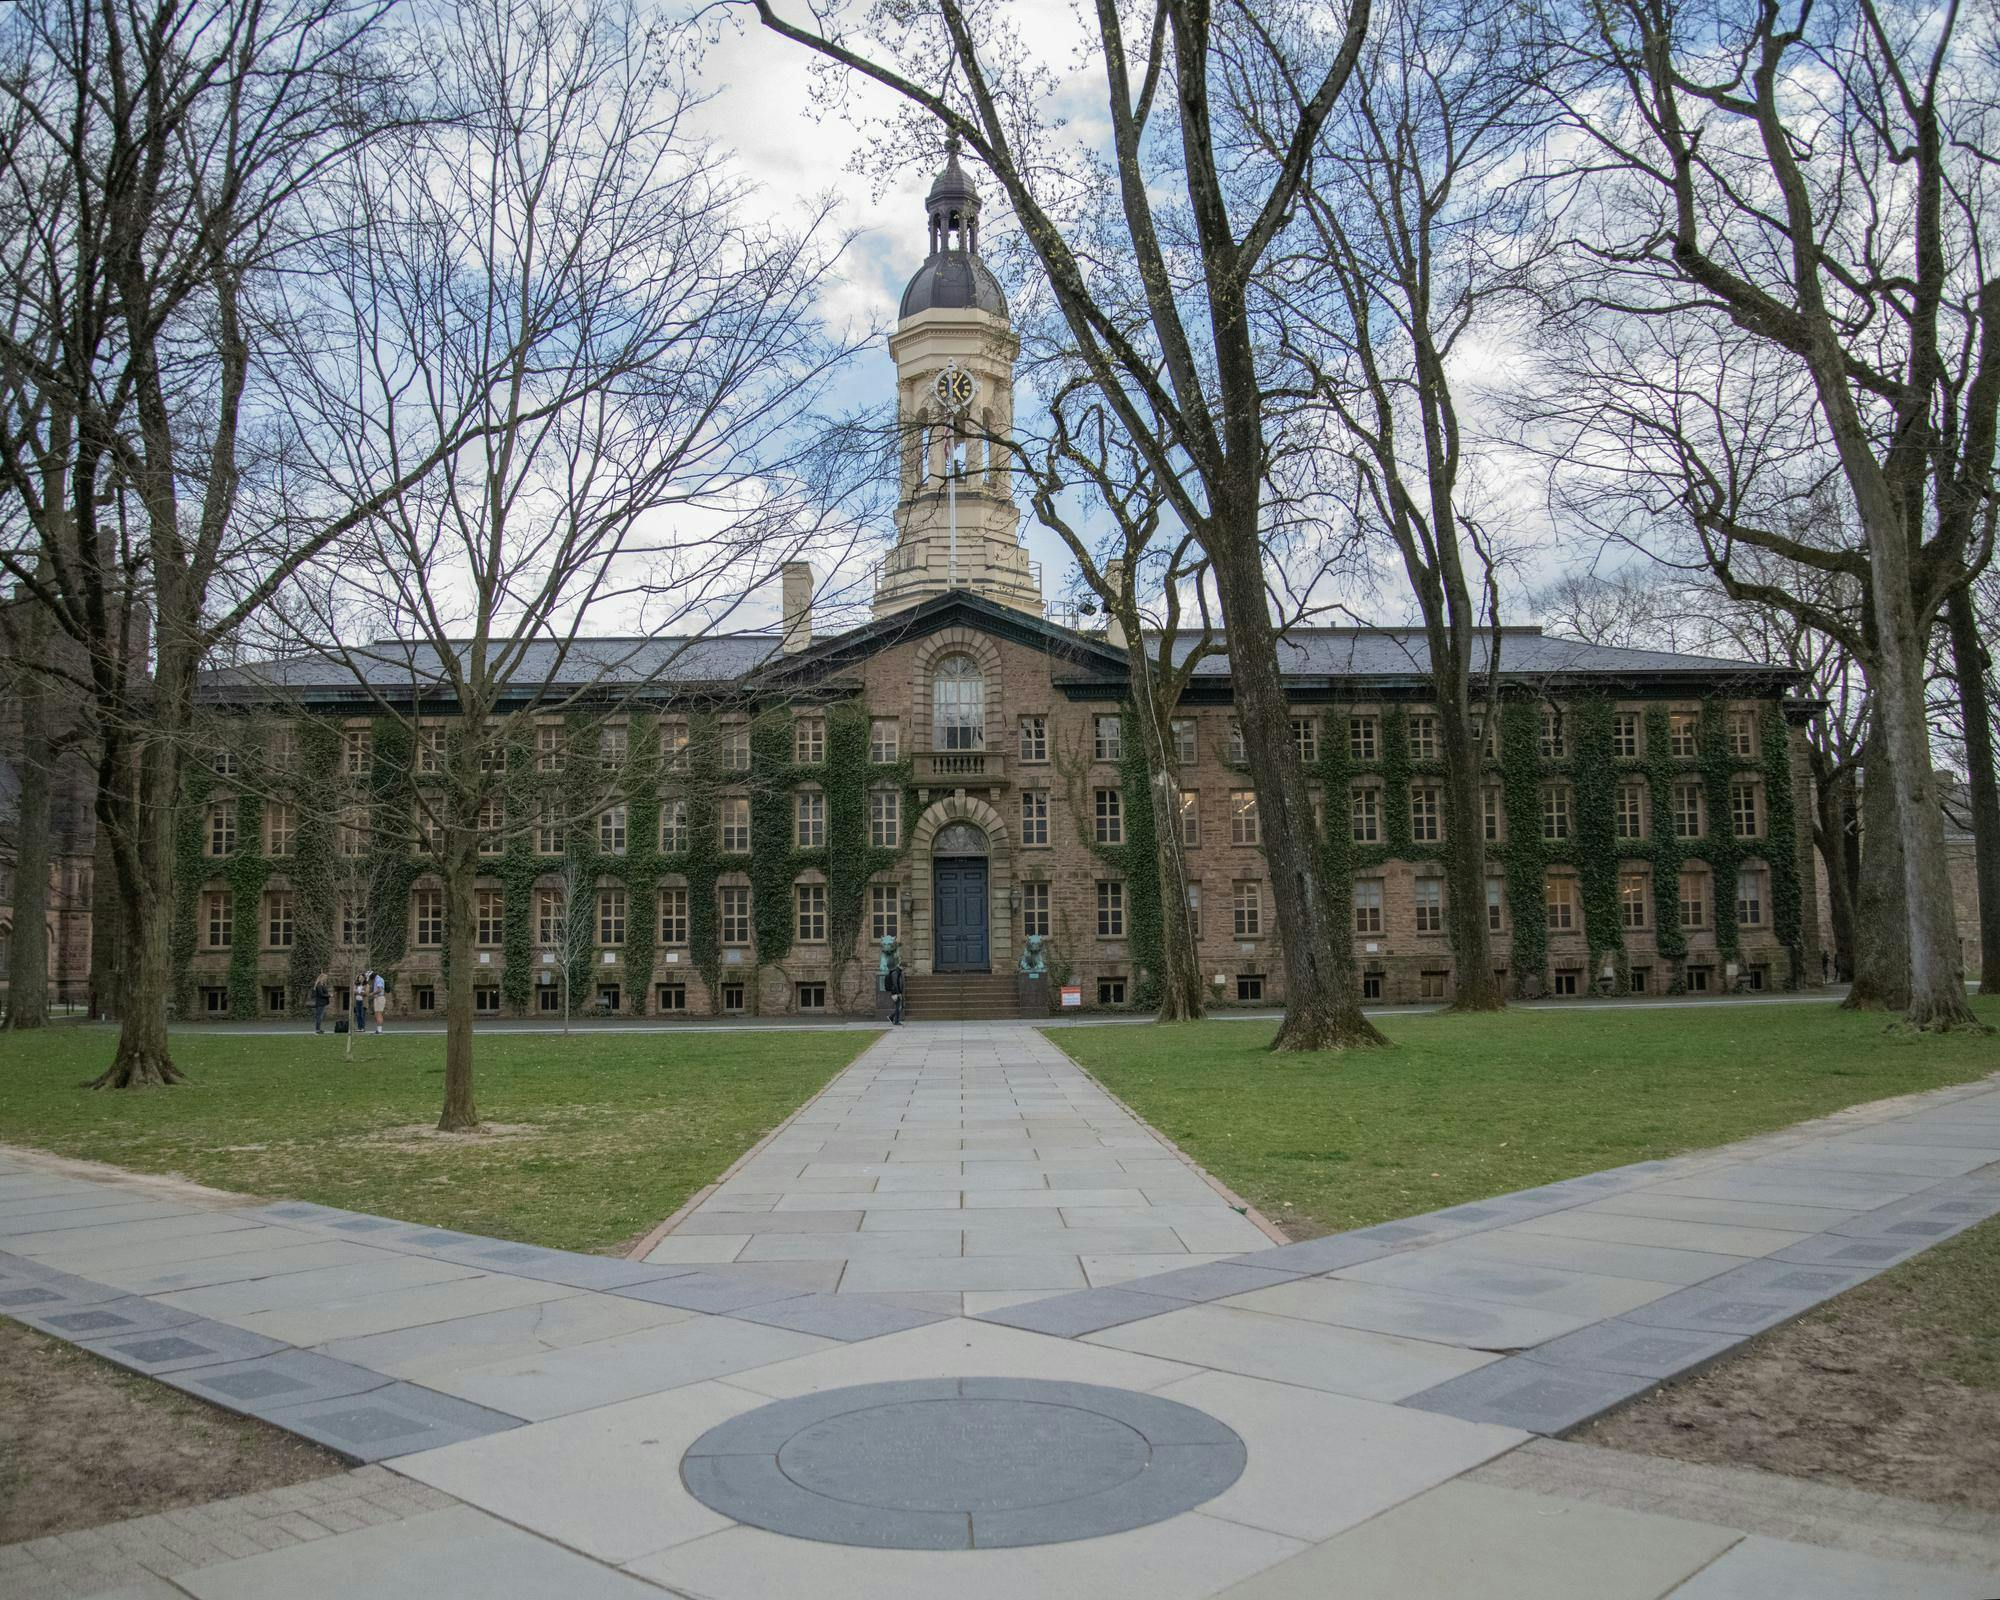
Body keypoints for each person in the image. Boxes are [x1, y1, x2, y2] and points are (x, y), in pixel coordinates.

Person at [885, 955, 904, 1026]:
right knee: (898, 1007)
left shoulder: (897, 971)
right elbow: (895, 983)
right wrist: (898, 993)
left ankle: (892, 1017)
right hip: (895, 992)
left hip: (897, 992)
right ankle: (895, 1020)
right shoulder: (895, 972)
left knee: (899, 1006)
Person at [371, 970, 388, 1035]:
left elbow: (379, 989)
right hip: (377, 998)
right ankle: (378, 1030)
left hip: (379, 998)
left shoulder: (378, 979)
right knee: (376, 1014)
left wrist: (372, 993)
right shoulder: (376, 979)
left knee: (379, 1014)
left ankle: (380, 1030)